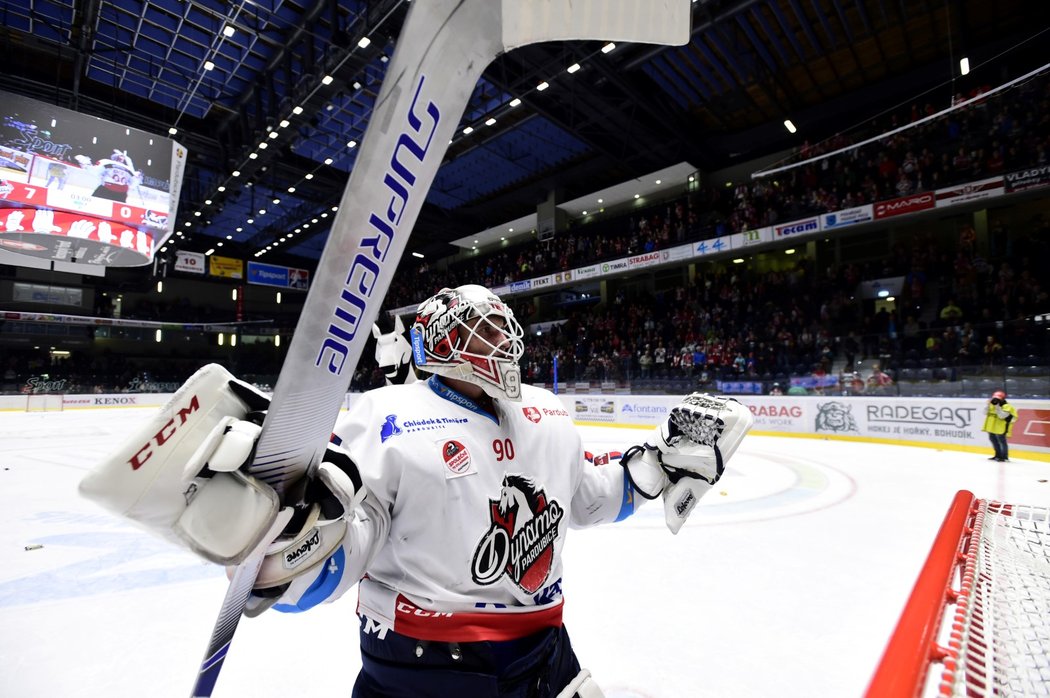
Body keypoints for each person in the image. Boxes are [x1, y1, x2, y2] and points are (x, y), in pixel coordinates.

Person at [80, 283, 754, 698]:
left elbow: (589, 494)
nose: (503, 345)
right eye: (484, 333)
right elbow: (355, 532)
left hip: (544, 650)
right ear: (442, 345)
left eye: (504, 331)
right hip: (425, 668)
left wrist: (665, 465)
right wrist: (289, 550)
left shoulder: (548, 413)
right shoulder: (387, 416)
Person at [981, 390, 1018, 462]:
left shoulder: (1007, 406)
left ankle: (1004, 457)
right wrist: (988, 405)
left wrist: (997, 407)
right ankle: (997, 455)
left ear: (1003, 399)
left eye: (998, 398)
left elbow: (1001, 416)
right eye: (994, 398)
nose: (996, 400)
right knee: (994, 441)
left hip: (1001, 427)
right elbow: (984, 412)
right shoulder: (991, 405)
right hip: (991, 427)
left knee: (1002, 442)